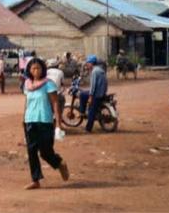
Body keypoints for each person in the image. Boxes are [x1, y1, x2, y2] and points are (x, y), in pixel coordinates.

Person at [22, 57, 70, 190]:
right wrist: (23, 119)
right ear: (29, 70)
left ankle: (59, 163)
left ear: (43, 69)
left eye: (38, 68)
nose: (36, 71)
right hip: (30, 120)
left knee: (45, 152)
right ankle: (35, 179)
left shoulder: (48, 84)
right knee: (31, 151)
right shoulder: (27, 85)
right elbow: (27, 103)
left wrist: (58, 123)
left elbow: (55, 103)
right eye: (33, 68)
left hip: (45, 120)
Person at [78, 55, 108, 133]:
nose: (87, 64)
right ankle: (82, 112)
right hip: (102, 93)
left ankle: (88, 128)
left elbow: (93, 86)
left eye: (88, 63)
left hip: (97, 95)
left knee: (91, 110)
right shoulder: (100, 70)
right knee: (83, 94)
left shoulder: (95, 71)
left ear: (91, 63)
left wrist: (91, 97)